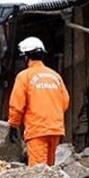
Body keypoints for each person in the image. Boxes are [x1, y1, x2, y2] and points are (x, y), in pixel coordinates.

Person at [8, 36, 69, 167]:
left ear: (26, 57)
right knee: (50, 169)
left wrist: (13, 125)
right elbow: (65, 102)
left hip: (37, 130)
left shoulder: (24, 76)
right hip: (55, 129)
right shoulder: (55, 76)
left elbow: (17, 105)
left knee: (38, 170)